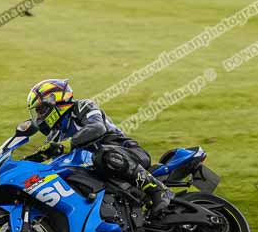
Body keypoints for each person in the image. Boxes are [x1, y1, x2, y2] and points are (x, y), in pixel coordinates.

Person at [24, 78, 173, 215]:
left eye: (41, 110)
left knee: (103, 154)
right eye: (36, 112)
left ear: (56, 102)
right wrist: (29, 161)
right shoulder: (54, 136)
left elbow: (97, 127)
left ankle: (158, 190)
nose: (39, 117)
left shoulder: (82, 107)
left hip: (125, 152)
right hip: (97, 173)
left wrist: (67, 145)